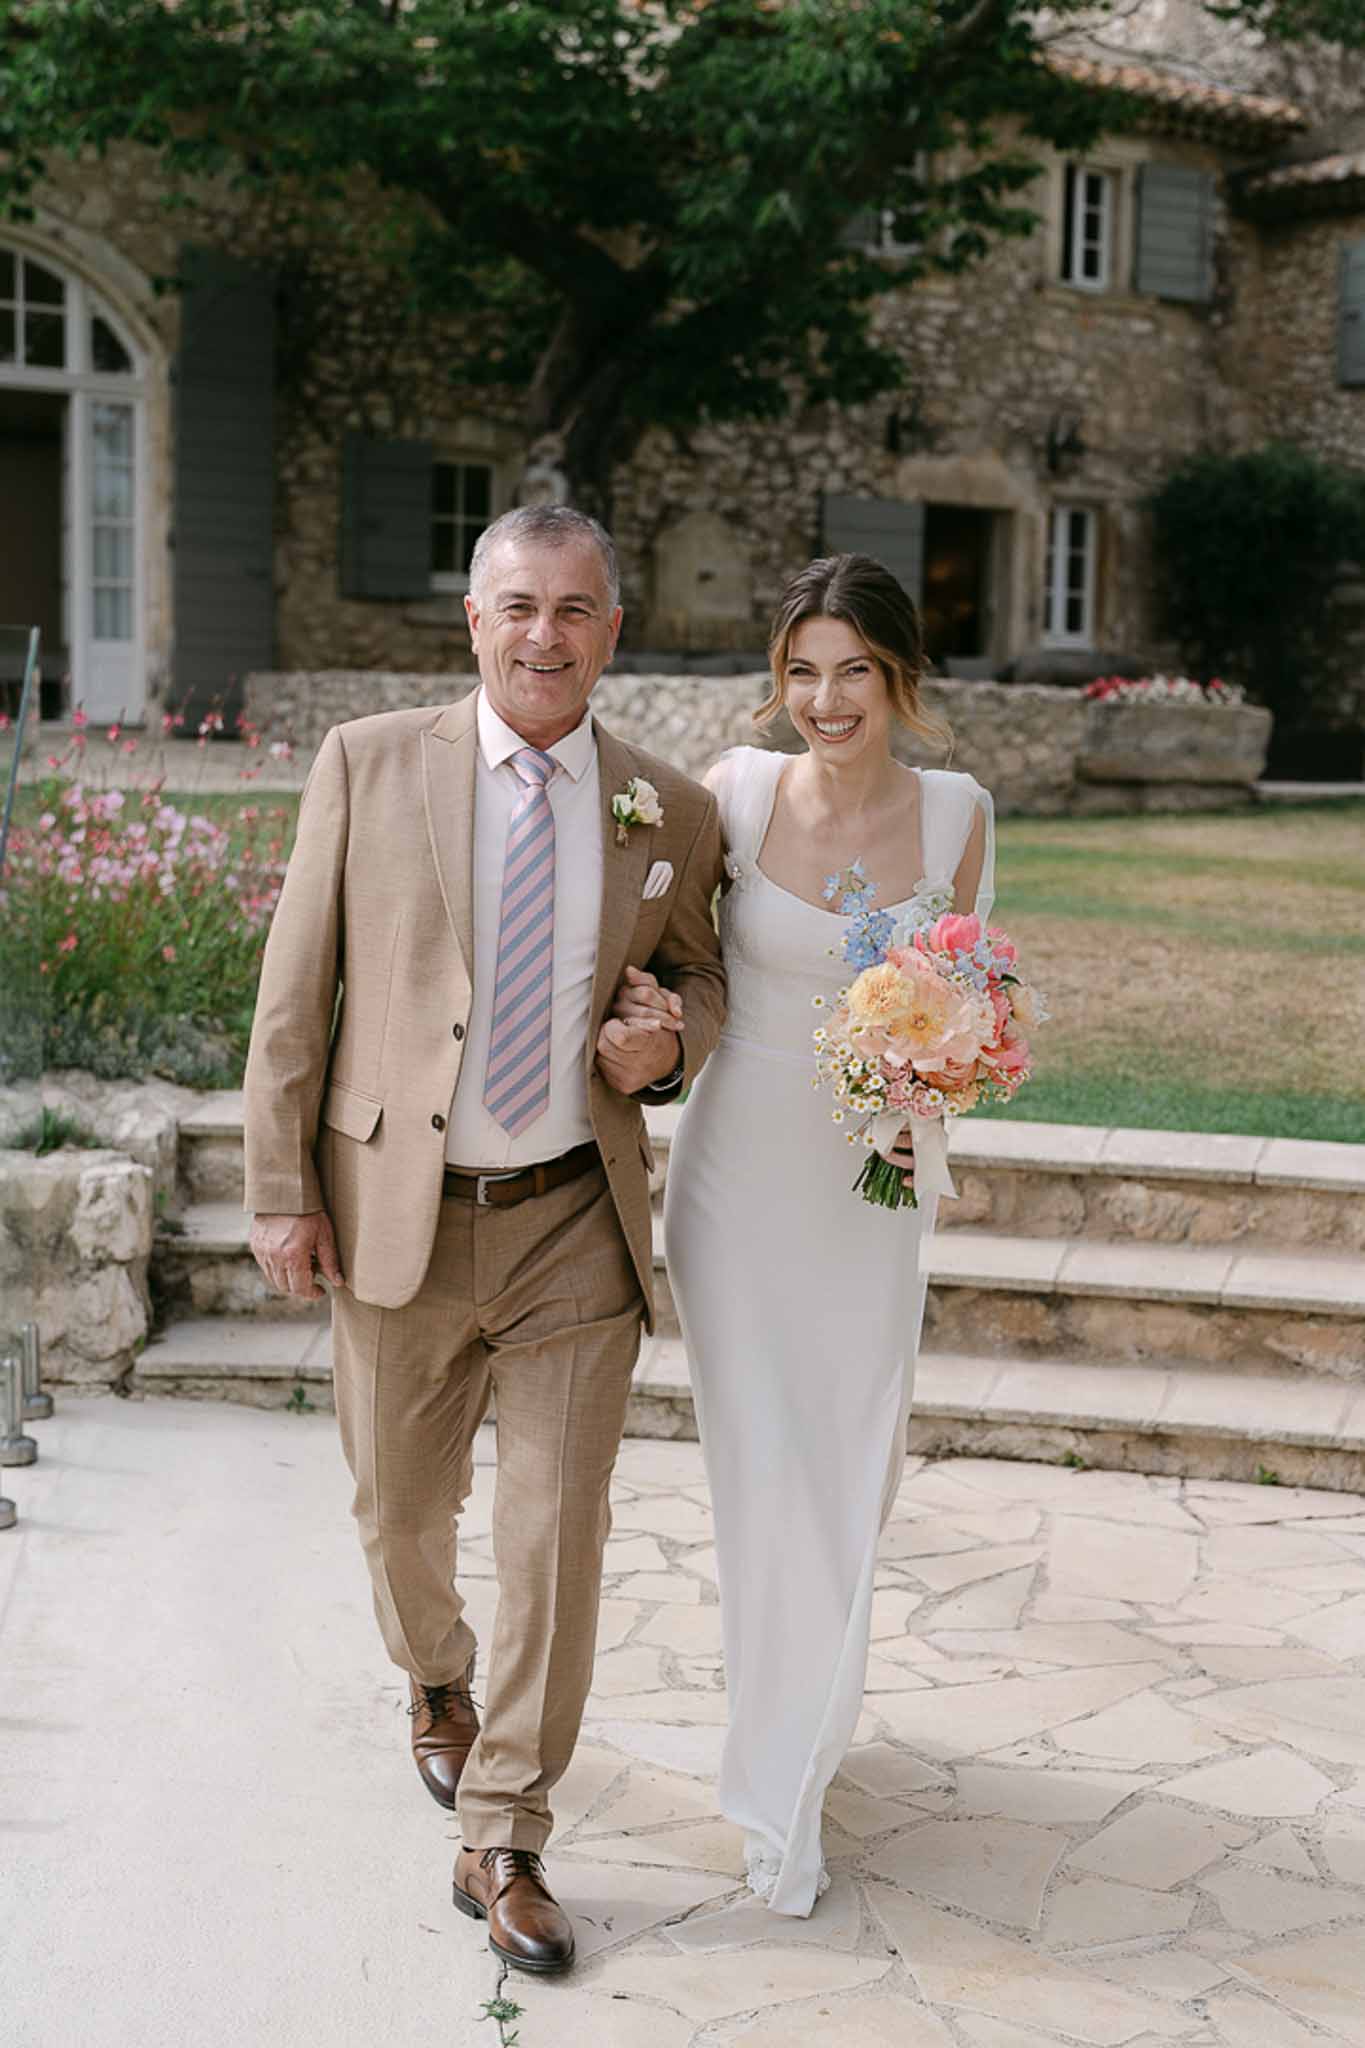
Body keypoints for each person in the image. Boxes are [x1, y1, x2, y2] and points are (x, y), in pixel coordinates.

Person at [241, 504, 726, 1975]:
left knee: (555, 1542)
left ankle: (505, 1834)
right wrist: (280, 1188)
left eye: (574, 611)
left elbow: (697, 981)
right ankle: (434, 1682)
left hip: (572, 1224)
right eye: (518, 606)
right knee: (396, 1513)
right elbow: (294, 988)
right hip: (396, 1214)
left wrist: (670, 1046)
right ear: (473, 620)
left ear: (610, 633)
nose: (544, 636)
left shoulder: (665, 807)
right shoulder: (371, 762)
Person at [626, 552, 993, 1916]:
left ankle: (811, 1730)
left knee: (851, 1460)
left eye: (851, 671)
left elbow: (959, 999)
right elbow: (669, 957)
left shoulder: (958, 810)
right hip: (735, 1182)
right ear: (774, 680)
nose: (823, 700)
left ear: (897, 676)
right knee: (758, 1470)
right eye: (800, 671)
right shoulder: (729, 788)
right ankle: (771, 1781)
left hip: (868, 1191)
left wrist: (931, 1114)